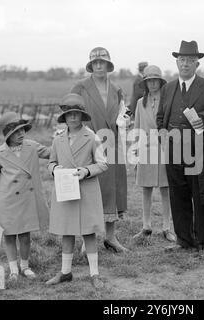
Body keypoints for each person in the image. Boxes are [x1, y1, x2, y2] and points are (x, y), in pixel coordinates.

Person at [156, 40, 204, 260]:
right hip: (173, 150)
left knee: (200, 197)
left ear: (197, 63)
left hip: (198, 152)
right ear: (177, 62)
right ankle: (184, 240)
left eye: (190, 60)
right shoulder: (168, 88)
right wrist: (163, 135)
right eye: (182, 60)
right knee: (178, 196)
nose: (185, 64)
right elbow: (160, 118)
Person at [46, 93, 107, 289]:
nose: (73, 118)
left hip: (86, 190)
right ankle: (65, 272)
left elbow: (103, 164)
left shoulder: (92, 137)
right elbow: (51, 162)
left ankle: (94, 273)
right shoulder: (58, 139)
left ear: (82, 116)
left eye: (77, 114)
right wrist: (55, 170)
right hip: (65, 191)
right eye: (69, 114)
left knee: (88, 232)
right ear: (64, 117)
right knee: (67, 231)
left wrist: (86, 171)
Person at [70, 47, 129, 253]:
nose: (98, 66)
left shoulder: (117, 90)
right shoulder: (80, 88)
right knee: (90, 190)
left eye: (102, 62)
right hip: (89, 143)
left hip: (112, 144)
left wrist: (124, 121)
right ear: (90, 65)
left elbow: (123, 114)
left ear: (108, 65)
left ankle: (111, 237)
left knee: (112, 190)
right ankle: (88, 240)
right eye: (95, 63)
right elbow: (72, 114)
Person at [0, 112, 50, 282]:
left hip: (27, 199)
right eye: (16, 131)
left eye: (23, 130)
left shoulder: (32, 146)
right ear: (8, 134)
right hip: (8, 201)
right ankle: (13, 269)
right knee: (10, 236)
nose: (21, 134)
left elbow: (51, 153)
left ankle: (25, 266)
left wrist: (63, 140)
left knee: (25, 236)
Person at [132, 65, 176, 243]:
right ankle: (146, 226)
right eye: (148, 81)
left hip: (164, 149)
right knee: (146, 189)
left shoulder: (168, 101)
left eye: (155, 80)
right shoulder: (140, 103)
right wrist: (134, 153)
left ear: (160, 82)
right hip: (145, 149)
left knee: (166, 189)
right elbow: (136, 129)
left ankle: (167, 227)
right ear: (145, 83)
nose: (152, 84)